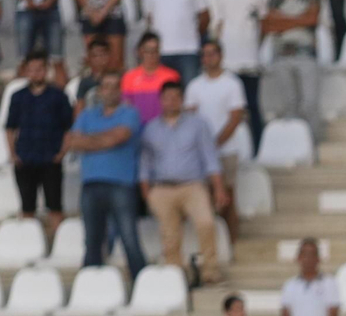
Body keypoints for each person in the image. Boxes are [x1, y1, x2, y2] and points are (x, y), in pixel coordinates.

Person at [141, 80, 226, 284]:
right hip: (162, 188)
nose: (171, 102)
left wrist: (219, 189)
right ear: (160, 100)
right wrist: (147, 194)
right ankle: (175, 275)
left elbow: (210, 158)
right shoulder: (151, 129)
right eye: (167, 98)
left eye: (176, 98)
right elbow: (144, 164)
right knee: (169, 235)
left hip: (192, 185)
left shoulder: (198, 124)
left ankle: (210, 271)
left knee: (206, 223)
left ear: (182, 100)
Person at [67, 71, 145, 274]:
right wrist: (105, 139)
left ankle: (142, 284)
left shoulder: (130, 113)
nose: (109, 91)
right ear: (100, 91)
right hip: (91, 184)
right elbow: (72, 141)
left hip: (121, 184)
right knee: (92, 240)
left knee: (129, 238)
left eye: (114, 86)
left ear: (120, 91)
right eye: (106, 86)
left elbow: (119, 137)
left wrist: (89, 140)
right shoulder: (86, 114)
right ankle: (90, 286)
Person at [185, 41, 248, 244]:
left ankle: (233, 241)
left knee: (228, 197)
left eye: (212, 53)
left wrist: (214, 143)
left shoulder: (232, 83)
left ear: (220, 55)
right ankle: (213, 244)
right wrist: (204, 146)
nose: (208, 58)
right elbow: (191, 117)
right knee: (205, 198)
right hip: (202, 152)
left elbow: (235, 117)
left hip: (226, 149)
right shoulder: (195, 85)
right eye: (204, 54)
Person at [5, 51, 73, 240]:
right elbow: (10, 127)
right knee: (27, 208)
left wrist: (61, 153)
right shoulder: (18, 97)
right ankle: (28, 244)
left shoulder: (58, 96)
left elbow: (69, 127)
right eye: (31, 70)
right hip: (25, 158)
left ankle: (60, 243)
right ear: (26, 71)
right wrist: (13, 154)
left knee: (55, 207)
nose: (36, 73)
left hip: (50, 158)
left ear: (46, 70)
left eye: (39, 69)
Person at [261, 0, 323, 141]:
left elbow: (312, 19)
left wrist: (283, 20)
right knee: (289, 105)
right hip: (282, 54)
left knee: (310, 103)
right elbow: (269, 25)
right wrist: (298, 20)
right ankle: (295, 143)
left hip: (306, 53)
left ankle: (313, 143)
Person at [208, 0, 264, 153]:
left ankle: (258, 150)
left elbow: (262, 25)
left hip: (250, 62)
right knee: (226, 111)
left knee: (253, 109)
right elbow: (217, 25)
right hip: (228, 63)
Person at [3, 0, 72, 87]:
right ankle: (22, 100)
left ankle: (62, 100)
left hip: (51, 9)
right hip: (26, 9)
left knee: (57, 58)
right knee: (23, 59)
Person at [140, 0, 208, 87]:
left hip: (188, 51)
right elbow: (149, 18)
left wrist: (192, 35)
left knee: (190, 94)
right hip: (161, 53)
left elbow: (204, 16)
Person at [121, 33, 180, 124]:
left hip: (163, 128)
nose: (151, 54)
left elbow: (176, 104)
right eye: (148, 51)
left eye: (155, 50)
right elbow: (126, 106)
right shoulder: (129, 77)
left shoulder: (171, 76)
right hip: (137, 128)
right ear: (140, 52)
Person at [73, 36, 112, 111]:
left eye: (103, 55)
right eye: (95, 56)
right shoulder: (85, 83)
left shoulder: (117, 79)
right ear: (89, 58)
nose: (99, 59)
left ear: (109, 56)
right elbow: (79, 108)